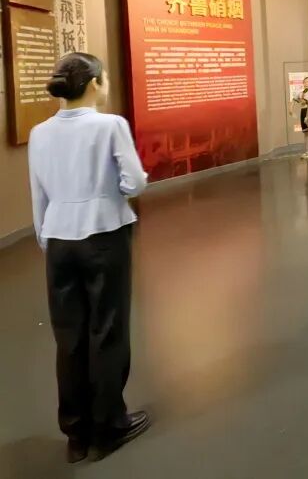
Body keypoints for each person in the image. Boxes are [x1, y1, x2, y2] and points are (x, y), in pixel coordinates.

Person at [27, 53, 150, 463]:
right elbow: (135, 182)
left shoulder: (40, 132)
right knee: (107, 329)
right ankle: (109, 426)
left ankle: (75, 433)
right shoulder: (110, 125)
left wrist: (47, 236)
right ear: (95, 83)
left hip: (58, 240)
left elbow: (38, 195)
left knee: (69, 336)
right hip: (105, 234)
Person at [290, 76, 308, 159]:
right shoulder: (300, 92)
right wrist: (291, 110)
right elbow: (294, 100)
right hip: (303, 111)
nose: (306, 84)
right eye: (304, 82)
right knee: (306, 132)